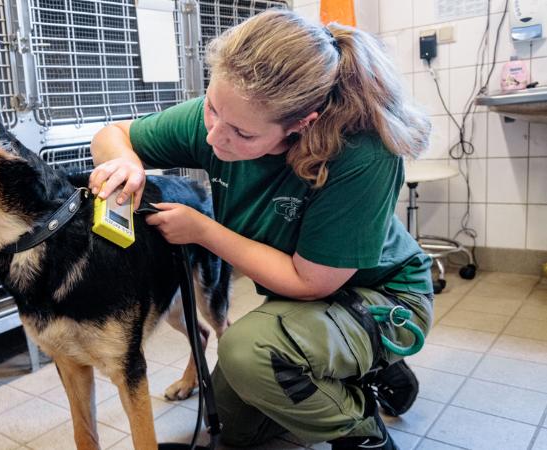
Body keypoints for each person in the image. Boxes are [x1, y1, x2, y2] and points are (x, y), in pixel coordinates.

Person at [88, 9, 433, 450]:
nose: (214, 138)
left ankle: (363, 431)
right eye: (212, 109)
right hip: (306, 304)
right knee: (235, 427)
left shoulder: (361, 151)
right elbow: (112, 134)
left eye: (242, 135)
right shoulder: (227, 115)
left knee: (248, 353)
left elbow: (311, 282)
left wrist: (203, 230)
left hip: (381, 296)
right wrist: (124, 164)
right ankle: (344, 363)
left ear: (302, 124)